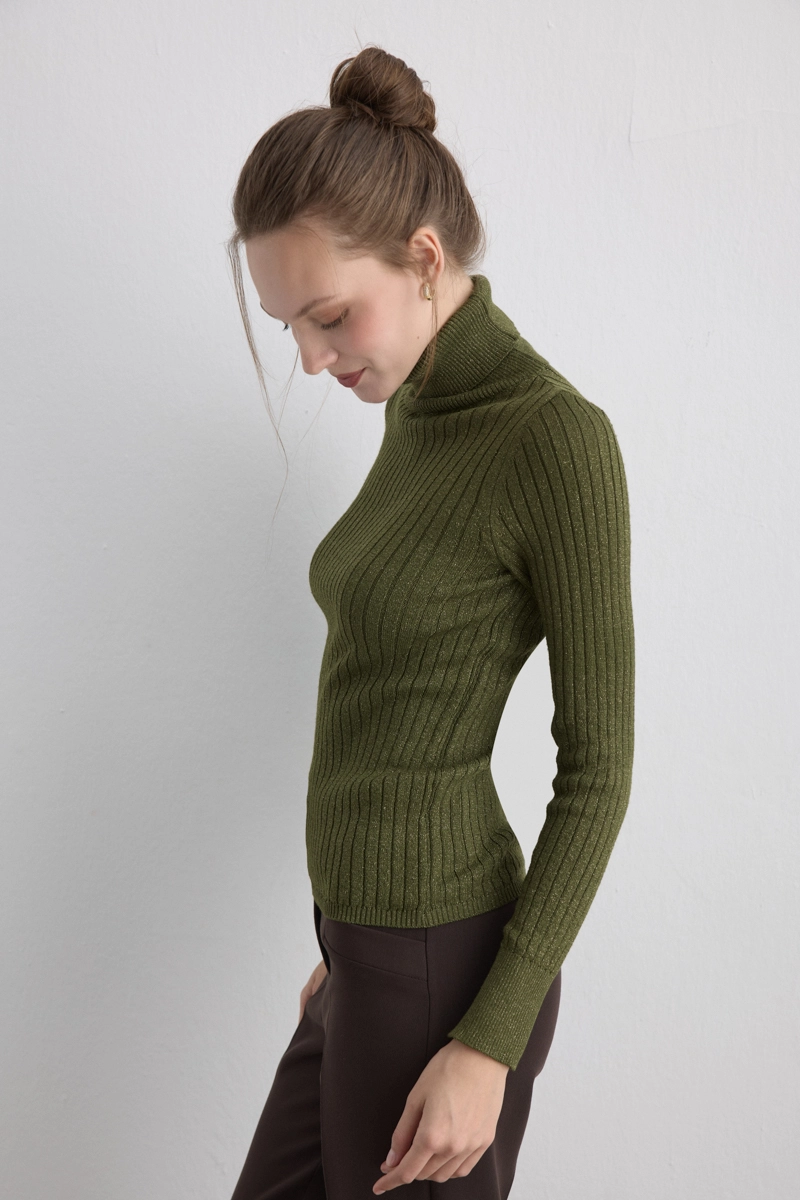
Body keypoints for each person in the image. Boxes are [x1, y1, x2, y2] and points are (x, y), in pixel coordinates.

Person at [225, 45, 635, 1200]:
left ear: (422, 257)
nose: (311, 359)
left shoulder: (552, 439)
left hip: (440, 974)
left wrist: (487, 1039)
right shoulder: (415, 406)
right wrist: (345, 952)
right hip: (365, 956)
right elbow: (392, 703)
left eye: (327, 316)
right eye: (287, 326)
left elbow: (597, 771)